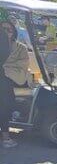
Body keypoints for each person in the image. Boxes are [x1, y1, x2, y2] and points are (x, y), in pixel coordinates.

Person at [0, 20, 30, 148]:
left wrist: (6, 69)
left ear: (14, 32)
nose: (6, 32)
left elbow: (23, 64)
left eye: (9, 30)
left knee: (5, 102)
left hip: (10, 79)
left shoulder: (20, 48)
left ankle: (6, 135)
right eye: (3, 30)